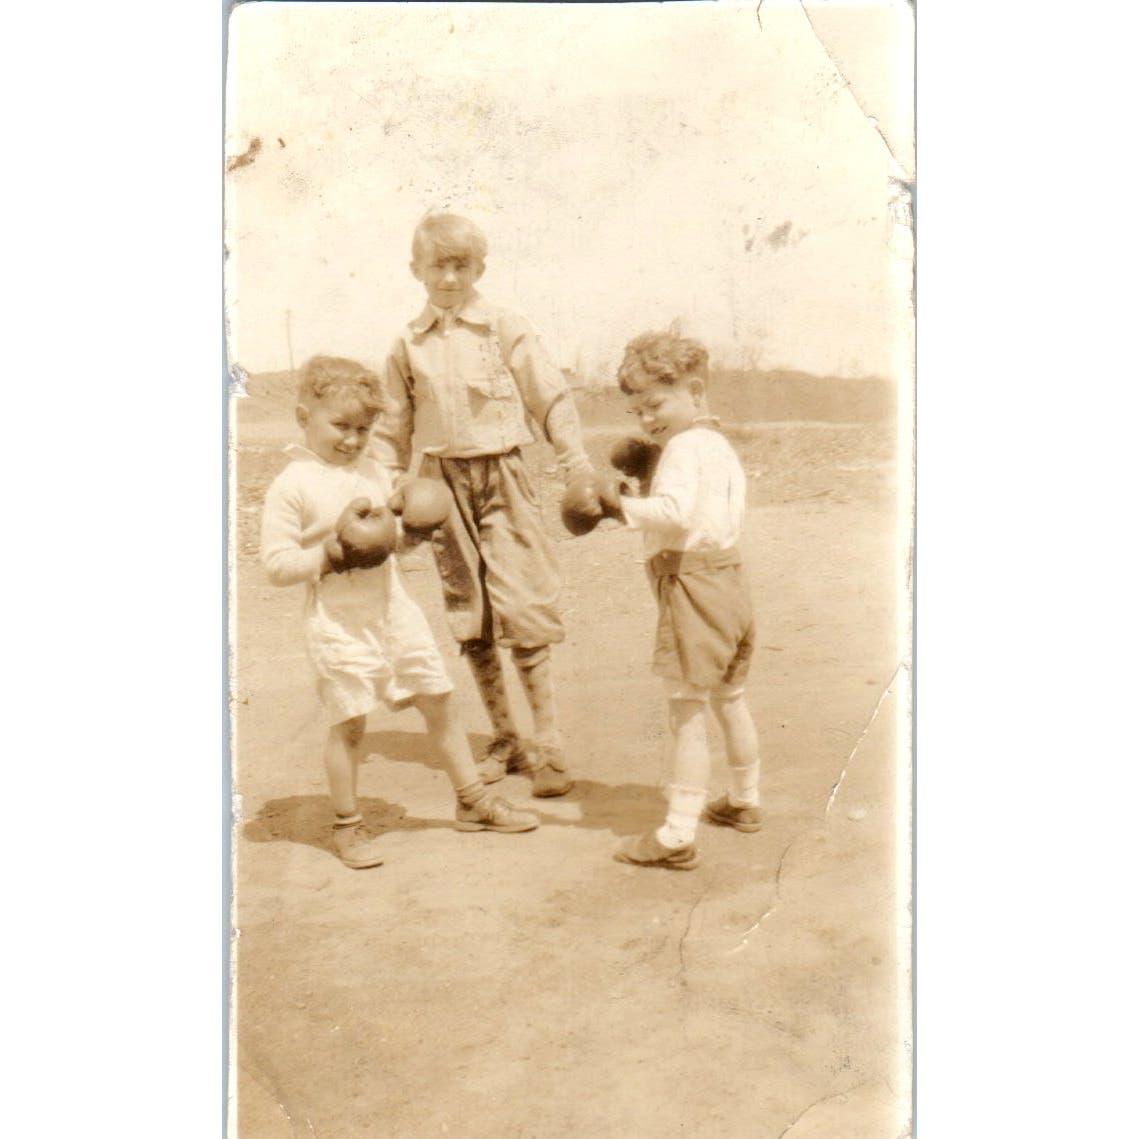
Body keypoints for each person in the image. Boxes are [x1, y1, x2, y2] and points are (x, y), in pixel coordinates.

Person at [260, 355, 540, 870]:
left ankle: (472, 800)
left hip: (393, 611)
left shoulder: (374, 472)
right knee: (349, 723)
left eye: (363, 429)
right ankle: (347, 824)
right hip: (338, 622)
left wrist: (415, 529)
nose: (352, 439)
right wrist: (330, 554)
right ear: (304, 417)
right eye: (341, 426)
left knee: (439, 700)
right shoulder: (293, 484)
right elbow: (276, 565)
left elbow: (390, 545)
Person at [371, 212, 594, 798]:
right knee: (469, 611)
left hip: (504, 474)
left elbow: (550, 397)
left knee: (524, 604)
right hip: (440, 488)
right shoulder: (407, 342)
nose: (449, 277)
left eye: (460, 265)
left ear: (479, 268)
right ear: (415, 269)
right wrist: (389, 486)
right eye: (437, 265)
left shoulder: (504, 326)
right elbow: (390, 429)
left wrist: (576, 464)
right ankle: (506, 737)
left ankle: (548, 742)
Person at [605, 331, 763, 869]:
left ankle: (677, 834)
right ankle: (744, 799)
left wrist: (620, 506)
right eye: (636, 411)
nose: (646, 419)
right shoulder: (717, 445)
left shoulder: (680, 448)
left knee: (686, 711)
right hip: (730, 581)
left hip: (691, 588)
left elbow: (674, 512)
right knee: (730, 697)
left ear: (694, 391)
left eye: (655, 404)